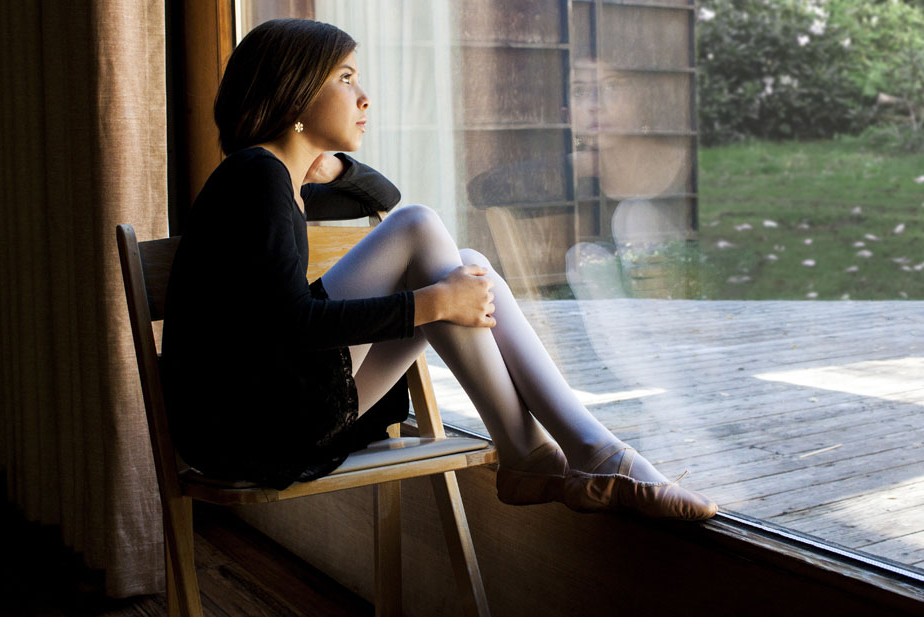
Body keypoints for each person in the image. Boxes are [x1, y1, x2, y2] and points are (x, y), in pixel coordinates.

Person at [161, 18, 717, 520]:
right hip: (250, 426)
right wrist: (433, 304)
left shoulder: (275, 176)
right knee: (425, 233)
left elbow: (383, 192)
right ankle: (579, 454)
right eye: (346, 79)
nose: (365, 98)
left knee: (465, 265)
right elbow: (291, 327)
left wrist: (321, 160)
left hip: (264, 412)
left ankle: (551, 455)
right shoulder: (256, 178)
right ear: (295, 91)